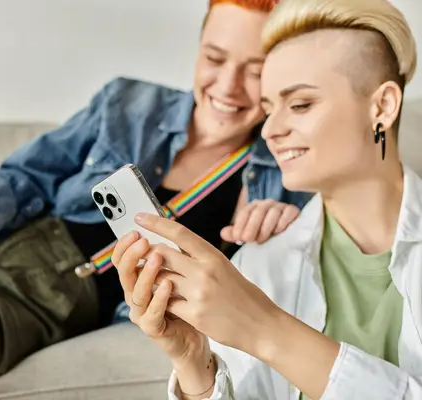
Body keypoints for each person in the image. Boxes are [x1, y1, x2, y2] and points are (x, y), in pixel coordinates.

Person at [0, 1, 311, 398]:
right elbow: (22, 184)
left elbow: (258, 312)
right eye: (215, 58)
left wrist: (275, 237)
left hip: (15, 302)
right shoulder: (128, 103)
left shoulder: (285, 176)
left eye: (255, 70)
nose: (227, 86)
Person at [112, 0, 421, 398]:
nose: (271, 130)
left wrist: (265, 328)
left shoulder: (252, 300)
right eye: (268, 108)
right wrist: (193, 363)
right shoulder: (262, 259)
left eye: (300, 104)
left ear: (382, 106)